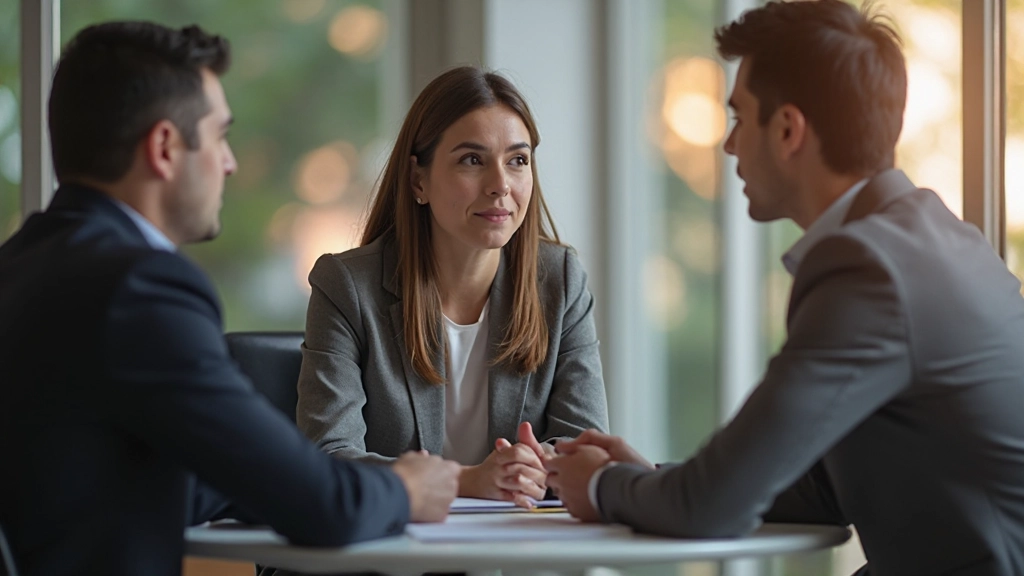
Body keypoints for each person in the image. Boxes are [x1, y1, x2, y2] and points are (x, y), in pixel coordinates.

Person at [545, 1, 1024, 575]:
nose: (729, 145)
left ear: (789, 130)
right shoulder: (931, 238)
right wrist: (646, 481)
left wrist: (600, 486)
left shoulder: (868, 269)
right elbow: (820, 490)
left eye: (740, 118)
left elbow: (712, 507)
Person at [0, 21, 460, 576]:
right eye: (220, 136)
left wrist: (270, 481)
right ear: (164, 148)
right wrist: (406, 488)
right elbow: (325, 508)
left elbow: (107, 478)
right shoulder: (140, 288)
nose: (230, 162)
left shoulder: (20, 265)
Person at [297, 66, 609, 507]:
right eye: (472, 160)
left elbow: (586, 449)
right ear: (418, 180)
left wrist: (535, 469)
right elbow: (327, 458)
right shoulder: (348, 287)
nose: (500, 186)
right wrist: (466, 480)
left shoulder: (561, 280)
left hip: (516, 540)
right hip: (391, 544)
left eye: (517, 161)